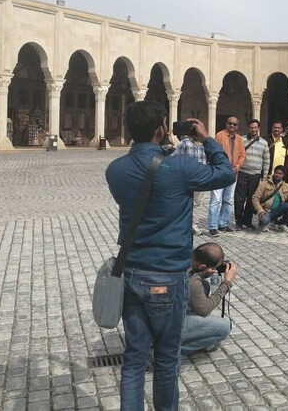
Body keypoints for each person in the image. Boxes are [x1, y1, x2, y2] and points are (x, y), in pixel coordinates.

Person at [106, 101, 234, 410]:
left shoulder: (115, 170)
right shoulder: (179, 167)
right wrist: (205, 139)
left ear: (128, 130)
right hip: (168, 276)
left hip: (132, 272)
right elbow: (225, 173)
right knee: (166, 359)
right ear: (162, 130)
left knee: (134, 359)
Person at [180, 242, 237, 356]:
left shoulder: (185, 259)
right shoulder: (192, 281)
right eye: (214, 268)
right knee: (224, 327)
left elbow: (198, 274)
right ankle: (171, 351)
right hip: (169, 323)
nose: (215, 270)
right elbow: (204, 310)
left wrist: (204, 273)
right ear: (202, 267)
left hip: (161, 313)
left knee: (205, 285)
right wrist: (226, 284)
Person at [208, 116, 245, 236]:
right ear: (226, 124)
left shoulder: (239, 139)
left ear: (237, 126)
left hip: (233, 173)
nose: (232, 126)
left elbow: (242, 155)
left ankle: (223, 224)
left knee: (228, 200)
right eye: (230, 123)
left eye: (235, 124)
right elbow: (214, 151)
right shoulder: (219, 135)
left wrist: (238, 166)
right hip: (220, 172)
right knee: (216, 200)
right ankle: (213, 226)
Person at [234, 119, 270, 230]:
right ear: (248, 128)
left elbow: (266, 160)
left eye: (255, 127)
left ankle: (247, 221)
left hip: (256, 175)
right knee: (239, 199)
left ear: (259, 128)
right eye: (251, 127)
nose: (253, 129)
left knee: (251, 199)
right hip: (243, 173)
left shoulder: (264, 143)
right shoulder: (242, 139)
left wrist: (264, 176)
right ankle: (239, 222)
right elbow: (237, 154)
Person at [172, 127, 208, 236]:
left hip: (199, 179)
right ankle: (182, 224)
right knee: (183, 202)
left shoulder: (206, 145)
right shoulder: (184, 143)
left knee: (197, 203)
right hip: (185, 179)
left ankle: (194, 225)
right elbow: (175, 158)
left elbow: (208, 161)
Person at [252, 165, 288, 232]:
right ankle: (267, 223)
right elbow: (255, 198)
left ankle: (282, 224)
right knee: (264, 221)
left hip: (278, 210)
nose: (278, 175)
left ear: (283, 175)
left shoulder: (286, 186)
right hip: (266, 211)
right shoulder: (264, 184)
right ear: (274, 172)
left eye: (280, 174)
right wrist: (260, 210)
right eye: (276, 173)